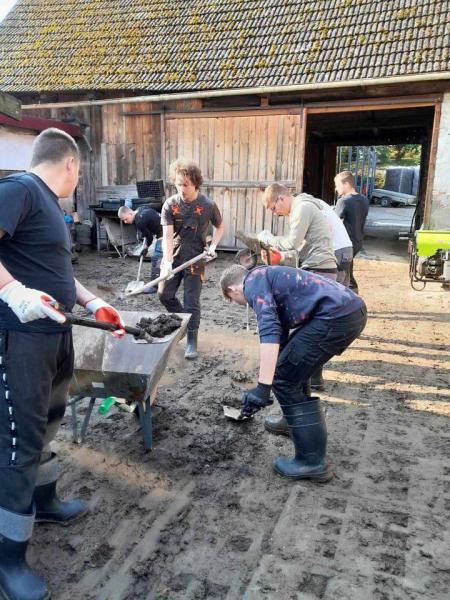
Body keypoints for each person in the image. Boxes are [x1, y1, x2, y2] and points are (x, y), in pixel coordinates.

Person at [0, 128, 125, 600]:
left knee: (50, 422)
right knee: (17, 442)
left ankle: (45, 500)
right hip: (19, 338)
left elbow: (57, 273)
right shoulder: (17, 190)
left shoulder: (52, 205)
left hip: (55, 335)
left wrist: (94, 304)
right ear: (71, 163)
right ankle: (8, 558)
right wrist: (12, 291)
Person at [220, 264, 367, 481]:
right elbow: (280, 333)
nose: (238, 304)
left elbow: (269, 331)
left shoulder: (252, 284)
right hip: (346, 310)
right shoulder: (264, 276)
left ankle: (312, 462)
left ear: (232, 290)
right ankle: (292, 422)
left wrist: (263, 387)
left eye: (232, 301)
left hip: (337, 317)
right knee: (291, 367)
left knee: (283, 378)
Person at [159, 159, 224, 360]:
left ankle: (191, 341)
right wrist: (167, 262)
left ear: (195, 183)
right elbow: (168, 236)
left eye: (185, 184)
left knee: (191, 301)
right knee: (164, 294)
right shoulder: (170, 205)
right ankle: (183, 324)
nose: (182, 189)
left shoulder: (207, 205)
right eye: (178, 184)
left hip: (196, 258)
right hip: (175, 256)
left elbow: (220, 226)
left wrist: (213, 246)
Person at [258, 183, 337, 278]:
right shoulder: (299, 208)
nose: (275, 213)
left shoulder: (302, 208)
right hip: (318, 266)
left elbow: (292, 243)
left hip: (318, 268)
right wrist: (281, 257)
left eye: (273, 208)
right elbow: (301, 247)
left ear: (281, 198)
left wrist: (269, 239)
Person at [334, 171, 369, 293]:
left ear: (346, 184)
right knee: (348, 271)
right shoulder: (364, 199)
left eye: (337, 185)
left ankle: (351, 304)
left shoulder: (343, 201)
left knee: (341, 275)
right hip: (358, 241)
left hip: (344, 244)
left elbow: (335, 223)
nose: (336, 188)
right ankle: (354, 300)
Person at [118, 205, 163, 294]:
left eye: (126, 219)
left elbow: (149, 238)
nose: (125, 222)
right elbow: (151, 218)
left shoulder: (139, 222)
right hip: (168, 227)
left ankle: (155, 286)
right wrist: (145, 231)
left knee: (156, 258)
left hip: (164, 233)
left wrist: (145, 249)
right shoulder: (141, 209)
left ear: (130, 213)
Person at [315, 198, 353, 287]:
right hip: (346, 248)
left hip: (337, 250)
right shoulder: (321, 203)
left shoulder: (309, 206)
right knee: (343, 290)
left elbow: (328, 227)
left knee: (335, 290)